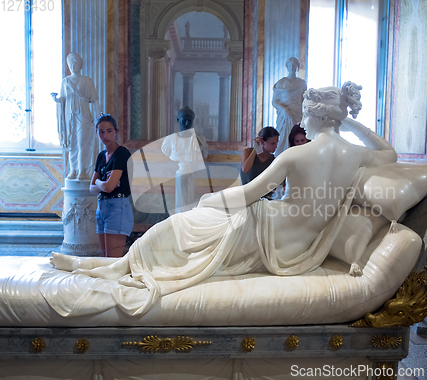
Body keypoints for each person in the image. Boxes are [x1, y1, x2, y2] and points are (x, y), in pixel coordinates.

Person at [51, 82, 397, 316]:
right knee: (178, 233)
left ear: (315, 116)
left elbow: (249, 194)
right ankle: (108, 266)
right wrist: (350, 123)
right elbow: (389, 152)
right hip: (293, 248)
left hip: (263, 229)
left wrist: (210, 202)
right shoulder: (357, 155)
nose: (300, 120)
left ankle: (108, 266)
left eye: (305, 114)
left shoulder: (297, 154)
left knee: (179, 227)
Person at [89, 114, 134, 258]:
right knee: (104, 260)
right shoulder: (101, 156)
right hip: (102, 207)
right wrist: (101, 184)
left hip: (117, 206)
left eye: (109, 131)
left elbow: (108, 187)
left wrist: (98, 182)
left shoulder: (121, 153)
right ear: (97, 133)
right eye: (101, 132)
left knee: (112, 262)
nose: (105, 135)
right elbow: (91, 188)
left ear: (116, 131)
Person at [51, 52, 101, 180]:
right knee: (72, 145)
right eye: (71, 64)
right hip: (70, 117)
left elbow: (95, 100)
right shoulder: (65, 81)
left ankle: (82, 171)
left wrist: (99, 118)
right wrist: (57, 100)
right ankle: (73, 170)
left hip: (83, 116)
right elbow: (63, 99)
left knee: (82, 144)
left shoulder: (87, 81)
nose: (73, 66)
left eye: (76, 63)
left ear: (80, 65)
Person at [272, 57, 307, 156]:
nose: (292, 67)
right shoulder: (281, 83)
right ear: (287, 67)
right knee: (283, 137)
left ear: (298, 67)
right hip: (284, 114)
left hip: (298, 113)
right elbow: (274, 101)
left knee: (297, 135)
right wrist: (283, 109)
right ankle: (282, 158)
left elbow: (304, 101)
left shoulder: (302, 83)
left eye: (294, 65)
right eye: (290, 65)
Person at [240, 126, 279, 199]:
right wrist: (255, 149)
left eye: (277, 143)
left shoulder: (273, 159)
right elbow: (245, 169)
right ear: (262, 142)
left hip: (265, 198)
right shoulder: (248, 152)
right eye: (273, 143)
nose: (276, 146)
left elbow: (273, 187)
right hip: (247, 197)